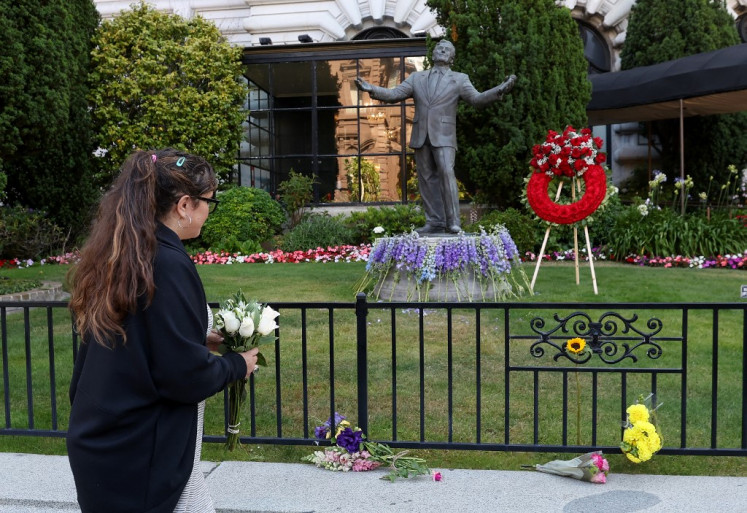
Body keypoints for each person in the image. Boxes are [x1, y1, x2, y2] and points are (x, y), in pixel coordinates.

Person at [66, 148, 259, 513]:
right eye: (208, 202)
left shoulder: (125, 252)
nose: (207, 211)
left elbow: (137, 333)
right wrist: (238, 365)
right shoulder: (167, 263)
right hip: (141, 460)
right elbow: (184, 378)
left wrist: (194, 338)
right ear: (185, 205)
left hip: (106, 443)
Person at [356, 40, 516, 234]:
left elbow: (477, 99)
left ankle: (453, 222)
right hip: (421, 135)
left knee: (447, 175)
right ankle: (435, 221)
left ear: (451, 58)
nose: (441, 50)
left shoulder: (459, 79)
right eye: (439, 48)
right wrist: (372, 89)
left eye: (446, 49)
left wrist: (499, 90)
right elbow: (395, 93)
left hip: (444, 136)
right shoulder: (417, 78)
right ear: (433, 55)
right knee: (426, 179)